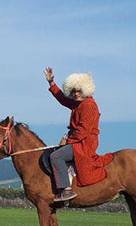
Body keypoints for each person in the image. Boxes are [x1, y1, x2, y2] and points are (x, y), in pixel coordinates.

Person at [44, 67, 113, 202]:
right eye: (74, 91)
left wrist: (67, 141)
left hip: (83, 144)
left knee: (55, 156)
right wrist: (51, 83)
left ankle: (67, 190)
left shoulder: (89, 105)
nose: (76, 94)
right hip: (77, 141)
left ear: (86, 90)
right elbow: (63, 100)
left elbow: (83, 131)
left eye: (79, 91)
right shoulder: (79, 104)